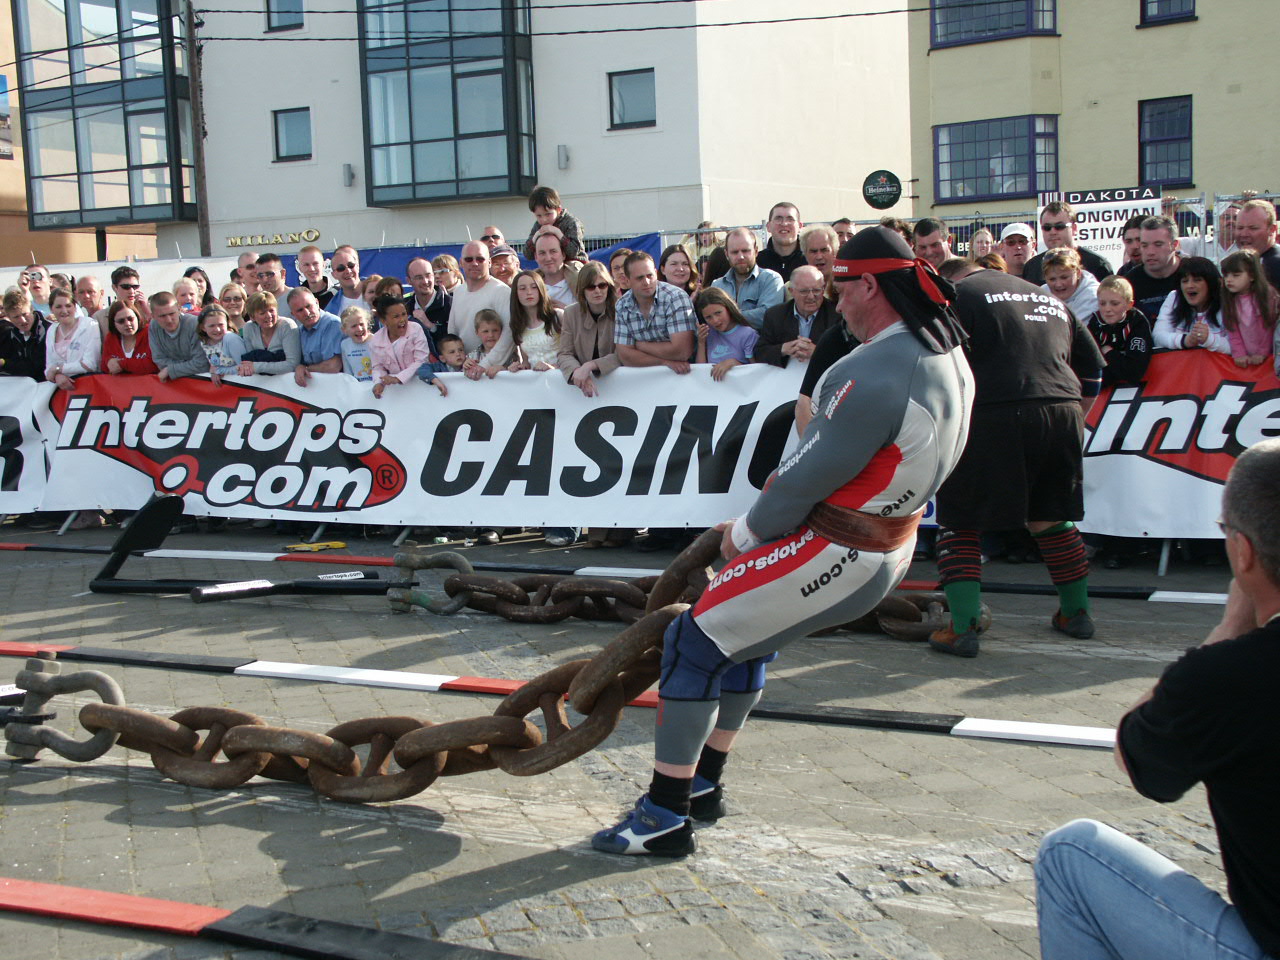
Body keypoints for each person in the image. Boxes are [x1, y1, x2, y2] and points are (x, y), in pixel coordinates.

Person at [590, 226, 974, 857]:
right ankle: (704, 786)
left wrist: (743, 533)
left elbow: (804, 477)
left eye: (840, 286)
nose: (833, 299)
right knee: (742, 640)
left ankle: (664, 815)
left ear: (869, 284)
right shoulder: (944, 349)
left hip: (836, 547)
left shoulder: (873, 367)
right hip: (884, 543)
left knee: (693, 641)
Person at [1034, 438, 1280, 960]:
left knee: (1070, 853)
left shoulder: (1225, 677)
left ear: (1243, 551)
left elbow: (1139, 758)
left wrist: (1231, 625)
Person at [928, 260, 1104, 658]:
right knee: (1051, 516)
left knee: (960, 520)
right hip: (1062, 407)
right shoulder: (1045, 297)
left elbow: (933, 363)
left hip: (993, 412)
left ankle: (962, 628)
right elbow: (1092, 368)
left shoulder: (958, 296)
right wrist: (1075, 413)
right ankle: (1076, 613)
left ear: (952, 277)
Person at [753, 265, 838, 368]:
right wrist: (783, 349)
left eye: (816, 290)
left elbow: (847, 353)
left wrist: (818, 352)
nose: (811, 297)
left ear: (823, 289)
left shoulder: (836, 314)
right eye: (804, 291)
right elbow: (760, 352)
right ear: (791, 291)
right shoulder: (775, 315)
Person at [557, 260, 619, 398]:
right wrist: (577, 371)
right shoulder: (570, 313)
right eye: (591, 287)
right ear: (582, 289)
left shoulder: (621, 310)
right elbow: (564, 353)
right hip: (583, 391)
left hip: (618, 385)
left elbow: (623, 354)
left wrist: (590, 366)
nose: (597, 291)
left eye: (602, 285)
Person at [448, 241, 513, 368]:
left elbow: (509, 335)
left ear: (489, 263)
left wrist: (484, 365)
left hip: (495, 373)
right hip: (466, 370)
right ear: (461, 262)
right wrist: (459, 364)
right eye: (468, 259)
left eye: (480, 259)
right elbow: (453, 334)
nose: (474, 263)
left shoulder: (502, 292)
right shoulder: (458, 292)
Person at [369, 295, 446, 399]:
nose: (402, 320)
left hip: (421, 388)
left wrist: (398, 378)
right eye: (396, 316)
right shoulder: (376, 339)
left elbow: (421, 361)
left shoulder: (416, 329)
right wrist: (378, 383)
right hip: (396, 395)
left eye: (404, 314)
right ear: (383, 321)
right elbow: (378, 367)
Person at [1022, 201, 1113, 285]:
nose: (1052, 232)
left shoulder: (1097, 265)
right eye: (1047, 227)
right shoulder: (1031, 267)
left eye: (1059, 226)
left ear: (1074, 228)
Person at [711, 228, 785, 329]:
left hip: (758, 344)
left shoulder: (771, 279)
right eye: (735, 252)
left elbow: (768, 317)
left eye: (745, 251)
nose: (741, 256)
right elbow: (713, 321)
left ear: (756, 251)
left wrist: (727, 316)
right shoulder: (717, 286)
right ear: (726, 254)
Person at [1086, 276, 1152, 388]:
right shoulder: (1094, 323)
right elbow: (1088, 368)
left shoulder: (1137, 322)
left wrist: (1108, 352)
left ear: (1129, 305)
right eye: (1102, 303)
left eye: (1114, 303)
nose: (1107, 309)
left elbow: (1134, 372)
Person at [1152, 256, 1228, 353]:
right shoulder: (1174, 298)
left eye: (1197, 280)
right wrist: (1186, 340)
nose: (1190, 286)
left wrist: (1209, 339)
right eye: (1185, 281)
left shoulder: (1226, 303)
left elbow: (1236, 347)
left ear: (1211, 283)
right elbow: (1158, 337)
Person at [1219, 250, 1277, 368]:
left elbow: (1269, 328)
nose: (1229, 280)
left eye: (1236, 275)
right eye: (1226, 275)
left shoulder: (1266, 295)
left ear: (1252, 276)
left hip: (1271, 357)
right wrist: (1239, 353)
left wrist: (1262, 352)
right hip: (1247, 359)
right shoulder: (1230, 299)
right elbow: (1232, 330)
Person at [1128, 215, 1184, 322]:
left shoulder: (1195, 273)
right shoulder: (1129, 283)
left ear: (1174, 245)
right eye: (1144, 245)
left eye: (1158, 244)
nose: (1150, 252)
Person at [695, 287, 758, 381]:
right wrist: (701, 343)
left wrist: (734, 363)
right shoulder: (708, 333)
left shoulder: (748, 334)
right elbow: (701, 370)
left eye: (718, 313)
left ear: (728, 308)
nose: (715, 320)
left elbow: (757, 372)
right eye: (708, 317)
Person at [507, 270, 562, 371]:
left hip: (561, 379)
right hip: (536, 383)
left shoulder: (558, 317)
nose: (529, 292)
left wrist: (553, 368)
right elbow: (527, 361)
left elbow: (574, 355)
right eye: (522, 288)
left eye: (534, 287)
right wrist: (520, 366)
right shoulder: (518, 325)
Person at [147, 291, 207, 383]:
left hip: (203, 383)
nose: (169, 320)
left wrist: (170, 370)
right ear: (153, 316)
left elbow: (202, 364)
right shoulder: (154, 326)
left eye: (172, 314)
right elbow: (159, 360)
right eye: (162, 316)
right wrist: (186, 365)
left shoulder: (194, 324)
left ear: (179, 309)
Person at [237, 292, 301, 377]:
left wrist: (256, 367)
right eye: (262, 313)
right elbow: (249, 362)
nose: (268, 315)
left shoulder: (287, 326)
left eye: (271, 310)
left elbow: (292, 365)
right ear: (252, 317)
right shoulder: (248, 328)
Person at [289, 287, 344, 386]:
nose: (307, 313)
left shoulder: (333, 324)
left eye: (308, 306)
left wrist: (305, 369)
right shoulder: (299, 332)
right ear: (293, 315)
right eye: (300, 310)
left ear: (317, 303)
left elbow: (333, 366)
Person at [523, 185, 585, 261]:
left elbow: (573, 252)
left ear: (558, 210)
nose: (544, 220)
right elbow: (527, 255)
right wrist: (536, 236)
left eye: (548, 214)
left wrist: (558, 233)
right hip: (550, 264)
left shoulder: (571, 223)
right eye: (539, 216)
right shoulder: (538, 226)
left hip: (574, 262)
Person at [0, 288, 49, 380]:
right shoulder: (13, 334)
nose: (22, 320)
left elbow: (36, 367)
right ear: (9, 317)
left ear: (31, 309)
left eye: (25, 314)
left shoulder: (48, 330)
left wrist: (4, 363)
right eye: (16, 317)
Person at [1234, 198, 1280, 293]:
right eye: (1240, 228)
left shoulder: (1275, 264)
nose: (1244, 234)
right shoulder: (1241, 261)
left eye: (1253, 228)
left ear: (1272, 229)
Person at [101, 300, 157, 376]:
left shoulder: (150, 333)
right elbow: (105, 368)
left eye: (130, 319)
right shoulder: (110, 338)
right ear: (113, 323)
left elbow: (153, 365)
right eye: (121, 321)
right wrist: (109, 363)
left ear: (137, 317)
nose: (127, 324)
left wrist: (122, 364)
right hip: (120, 385)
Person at [1041, 248, 1099, 320]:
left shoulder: (1094, 296)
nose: (1058, 284)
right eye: (1052, 279)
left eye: (1064, 277)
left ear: (1078, 273)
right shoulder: (1041, 294)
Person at [196, 304, 246, 385]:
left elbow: (244, 367)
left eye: (221, 324)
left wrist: (218, 371)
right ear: (203, 327)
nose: (217, 329)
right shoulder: (204, 343)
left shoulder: (231, 339)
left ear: (227, 323)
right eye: (212, 326)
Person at [756, 202, 805, 282]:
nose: (784, 224)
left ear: (800, 226)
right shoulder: (757, 263)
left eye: (790, 219)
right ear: (768, 227)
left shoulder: (810, 260)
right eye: (778, 219)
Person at [403, 257, 451, 336]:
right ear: (409, 281)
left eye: (428, 275)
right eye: (419, 277)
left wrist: (431, 327)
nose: (425, 281)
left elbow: (455, 340)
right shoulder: (404, 307)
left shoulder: (450, 304)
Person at [94, 266, 149, 335]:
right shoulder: (100, 317)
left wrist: (147, 311)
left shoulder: (147, 311)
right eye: (126, 287)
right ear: (114, 288)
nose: (132, 291)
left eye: (135, 287)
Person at [533, 230, 580, 309]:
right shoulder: (529, 285)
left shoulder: (580, 281)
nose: (548, 258)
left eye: (553, 251)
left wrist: (568, 312)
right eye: (542, 253)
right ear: (536, 257)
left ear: (563, 254)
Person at [463, 309, 506, 378]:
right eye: (486, 331)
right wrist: (465, 367)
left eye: (495, 330)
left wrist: (502, 369)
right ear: (477, 332)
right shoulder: (472, 357)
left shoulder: (508, 355)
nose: (491, 335)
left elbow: (515, 375)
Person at [326, 245, 365, 316]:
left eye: (351, 265)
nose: (348, 271)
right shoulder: (331, 312)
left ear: (358, 266)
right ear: (334, 275)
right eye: (341, 268)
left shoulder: (379, 291)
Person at [339, 305, 374, 381]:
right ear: (344, 329)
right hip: (358, 388)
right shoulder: (345, 345)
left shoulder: (376, 340)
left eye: (361, 324)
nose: (359, 329)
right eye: (354, 326)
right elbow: (348, 372)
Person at [800, 224, 838, 291]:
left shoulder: (844, 287)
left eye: (824, 250)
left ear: (834, 252)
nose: (819, 257)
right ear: (805, 255)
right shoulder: (794, 287)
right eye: (813, 251)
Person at [297, 244, 335, 309]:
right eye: (306, 265)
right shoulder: (297, 297)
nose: (311, 269)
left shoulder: (337, 294)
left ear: (324, 265)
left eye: (315, 264)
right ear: (300, 268)